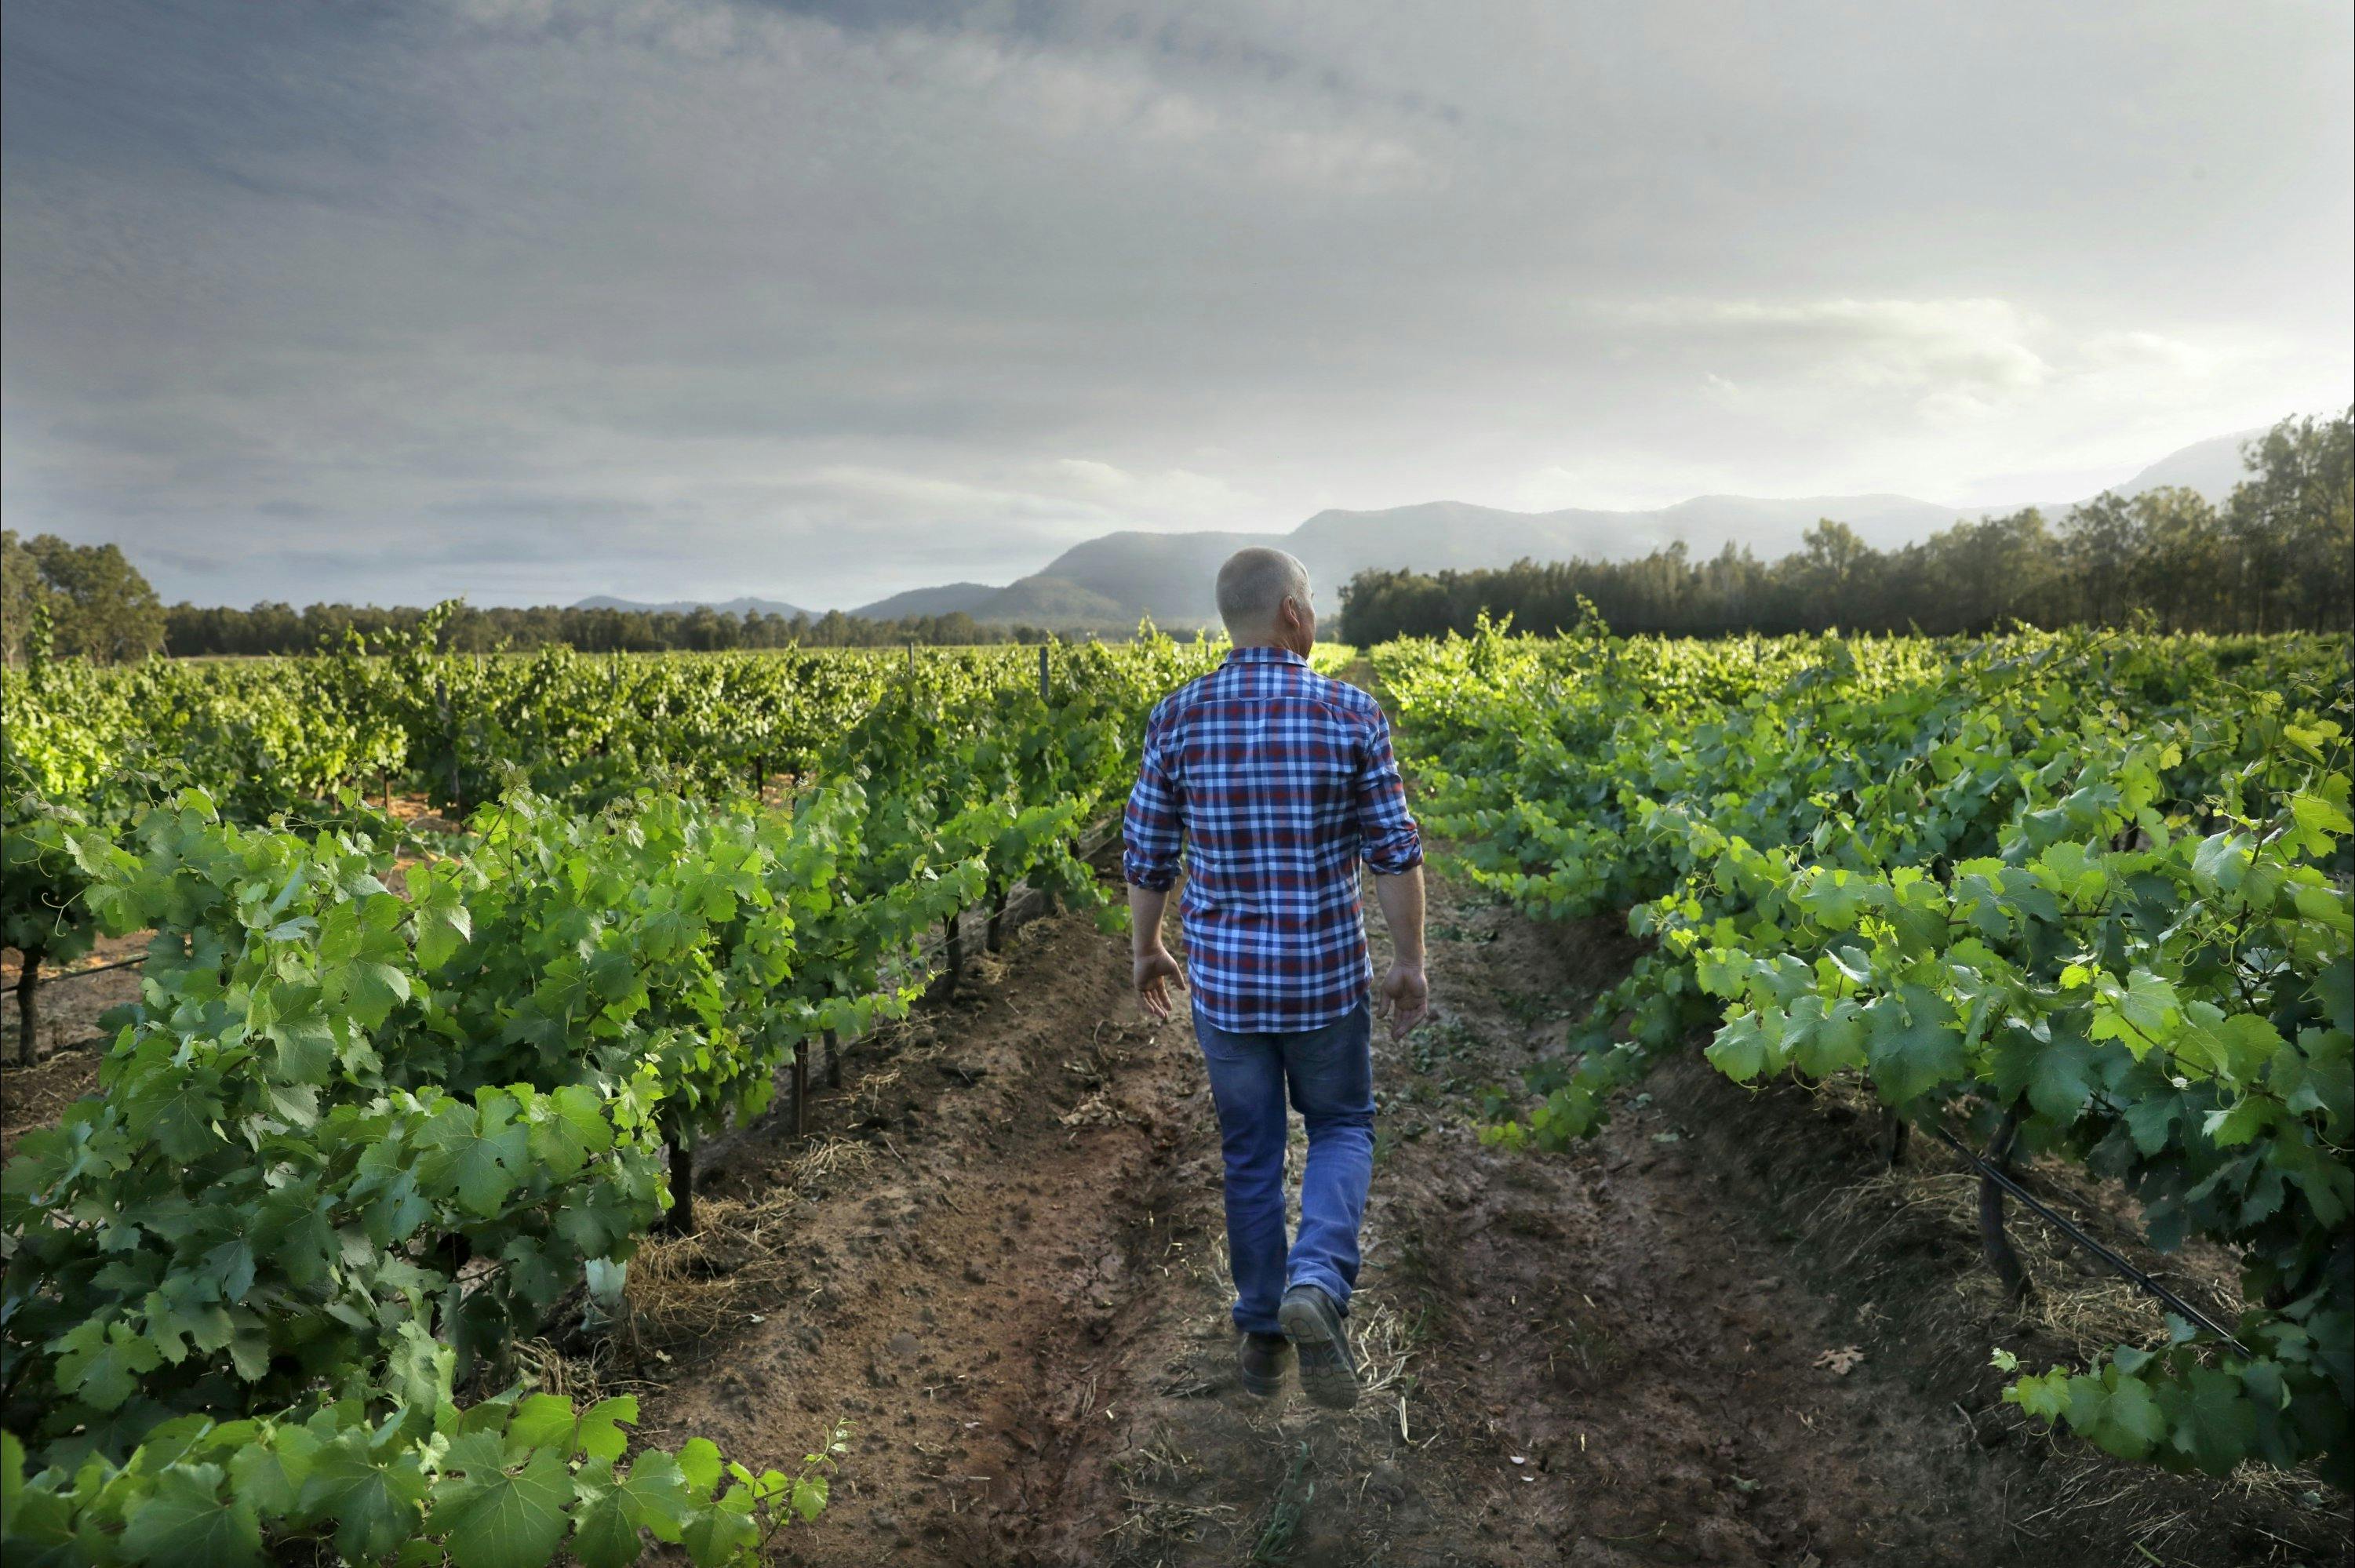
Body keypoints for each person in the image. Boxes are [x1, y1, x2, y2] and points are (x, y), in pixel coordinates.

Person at [1122, 546, 1429, 1410]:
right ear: (1293, 613)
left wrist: (1147, 948)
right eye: (1313, 604)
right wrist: (1409, 961)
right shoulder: (1350, 712)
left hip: (1227, 989)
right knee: (1340, 1125)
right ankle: (1318, 1282)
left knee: (1249, 1153)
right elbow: (1394, 852)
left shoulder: (1176, 717)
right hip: (1323, 979)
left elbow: (1147, 852)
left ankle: (1262, 1335)